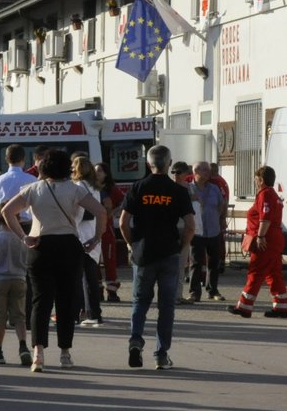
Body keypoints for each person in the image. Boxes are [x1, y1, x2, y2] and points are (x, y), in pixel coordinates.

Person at [0, 149, 107, 372]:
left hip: (40, 246)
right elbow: (101, 212)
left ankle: (38, 352)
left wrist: (23, 236)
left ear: (42, 167)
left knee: (41, 300)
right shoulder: (76, 189)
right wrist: (95, 239)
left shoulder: (33, 189)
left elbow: (8, 211)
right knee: (67, 301)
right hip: (69, 245)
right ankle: (65, 353)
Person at [119, 144, 195, 370]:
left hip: (144, 253)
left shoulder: (138, 187)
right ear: (169, 164)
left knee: (140, 301)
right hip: (169, 252)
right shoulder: (179, 191)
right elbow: (190, 225)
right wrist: (182, 247)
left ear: (148, 164)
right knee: (167, 306)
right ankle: (161, 354)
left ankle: (135, 340)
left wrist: (132, 244)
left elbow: (123, 222)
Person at [230, 165, 287, 318]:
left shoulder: (265, 194)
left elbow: (265, 218)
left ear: (261, 180)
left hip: (265, 240)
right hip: (275, 240)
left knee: (255, 272)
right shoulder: (274, 195)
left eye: (256, 180)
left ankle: (244, 306)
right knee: (274, 273)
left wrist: (260, 237)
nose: (255, 183)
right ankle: (281, 307)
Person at [0, 219, 31, 366]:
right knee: (20, 316)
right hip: (20, 278)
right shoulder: (23, 239)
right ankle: (23, 346)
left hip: (0, 279)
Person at [185, 161, 227, 303]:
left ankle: (212, 290)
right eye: (204, 170)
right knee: (196, 263)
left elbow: (221, 203)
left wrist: (219, 217)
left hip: (213, 230)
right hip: (196, 231)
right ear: (195, 172)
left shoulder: (214, 188)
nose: (208, 173)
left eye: (208, 170)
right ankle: (194, 292)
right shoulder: (188, 189)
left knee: (214, 262)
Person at [72, 154, 106, 326]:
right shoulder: (95, 187)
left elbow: (81, 213)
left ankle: (78, 312)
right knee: (91, 278)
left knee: (78, 278)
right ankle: (94, 312)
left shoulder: (78, 187)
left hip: (81, 237)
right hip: (93, 236)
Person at [93, 162, 122, 303]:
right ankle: (97, 291)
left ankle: (112, 292)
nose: (97, 173)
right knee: (94, 261)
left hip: (107, 230)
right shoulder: (89, 188)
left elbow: (124, 203)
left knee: (110, 260)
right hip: (92, 230)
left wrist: (113, 213)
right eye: (95, 171)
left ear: (106, 174)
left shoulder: (111, 189)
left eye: (100, 171)